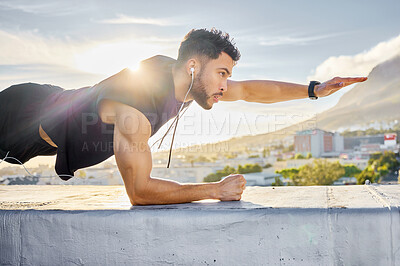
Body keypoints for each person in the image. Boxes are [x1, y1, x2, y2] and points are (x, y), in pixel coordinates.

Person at [0, 28, 367, 205]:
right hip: (21, 112)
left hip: (47, 118)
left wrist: (313, 90)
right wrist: (214, 190)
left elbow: (252, 90)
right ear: (193, 66)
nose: (227, 84)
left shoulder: (188, 80)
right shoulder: (134, 109)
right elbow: (139, 192)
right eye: (222, 73)